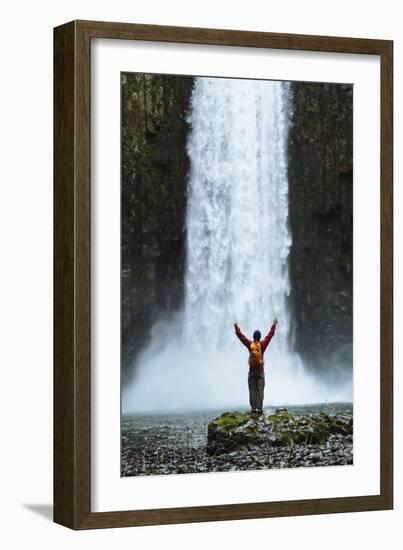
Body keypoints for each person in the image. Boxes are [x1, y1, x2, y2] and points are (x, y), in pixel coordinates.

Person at [234, 319, 278, 414]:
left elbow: (241, 337)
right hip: (260, 372)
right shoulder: (262, 344)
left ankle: (253, 408)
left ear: (253, 337)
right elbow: (270, 336)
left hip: (252, 372)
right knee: (260, 389)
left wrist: (236, 327)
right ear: (260, 337)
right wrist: (274, 325)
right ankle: (259, 408)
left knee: (252, 390)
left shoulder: (250, 344)